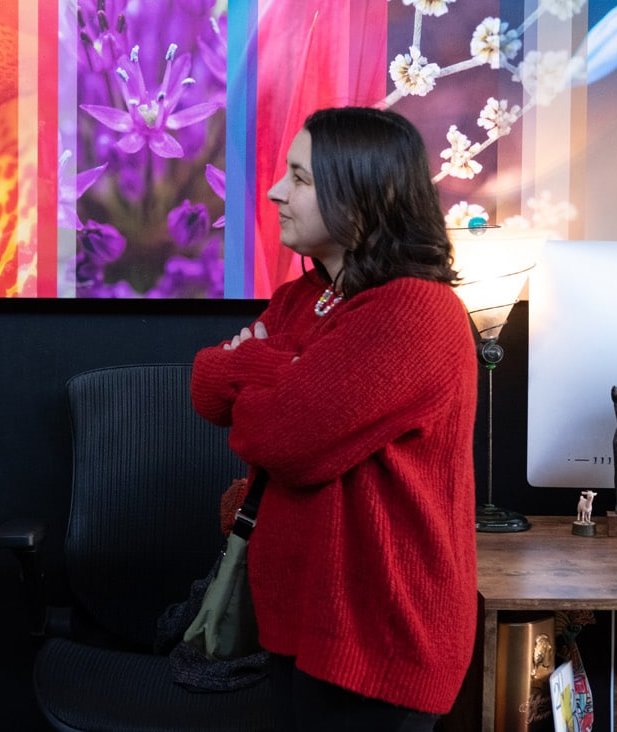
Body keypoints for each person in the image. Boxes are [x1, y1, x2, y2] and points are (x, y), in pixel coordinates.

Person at [190, 106, 478, 731]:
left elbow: (285, 439)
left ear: (362, 196)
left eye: (299, 178)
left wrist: (257, 362)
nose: (276, 192)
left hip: (378, 638)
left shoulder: (416, 312)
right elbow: (207, 388)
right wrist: (285, 369)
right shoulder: (304, 297)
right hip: (299, 625)